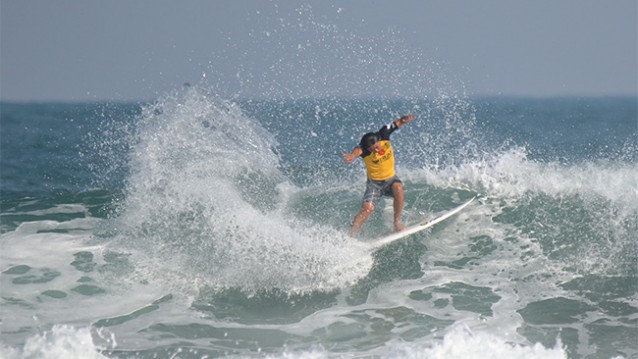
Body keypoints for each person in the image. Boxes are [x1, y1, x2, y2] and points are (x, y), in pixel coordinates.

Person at [342, 114, 416, 237]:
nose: (376, 150)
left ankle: (397, 224)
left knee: (398, 187)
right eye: (372, 150)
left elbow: (395, 124)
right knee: (366, 210)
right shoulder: (365, 150)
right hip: (374, 185)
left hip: (391, 179)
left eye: (377, 147)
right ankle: (349, 237)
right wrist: (352, 156)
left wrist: (403, 120)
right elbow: (358, 150)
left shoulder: (383, 134)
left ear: (378, 140)